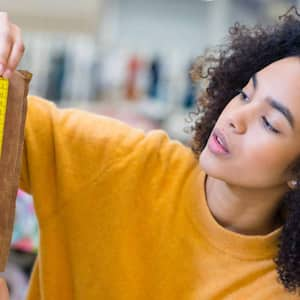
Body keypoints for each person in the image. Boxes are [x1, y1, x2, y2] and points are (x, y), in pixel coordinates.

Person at [1, 6, 300, 300]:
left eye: (268, 123)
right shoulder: (124, 163)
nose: (236, 117)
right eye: (245, 94)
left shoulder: (278, 290)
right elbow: (11, 123)